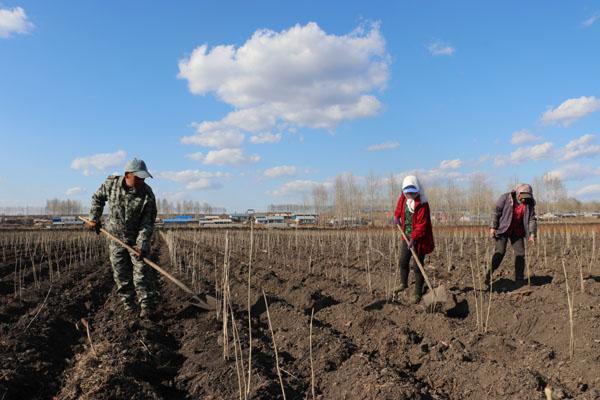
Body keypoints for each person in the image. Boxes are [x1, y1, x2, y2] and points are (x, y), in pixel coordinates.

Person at [85, 158, 158, 319]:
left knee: (141, 274)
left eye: (143, 178)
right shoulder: (111, 184)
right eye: (138, 177)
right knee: (121, 275)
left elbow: (147, 223)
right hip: (115, 238)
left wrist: (142, 244)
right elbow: (97, 198)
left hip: (136, 241)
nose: (141, 181)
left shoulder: (147, 194)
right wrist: (94, 218)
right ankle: (129, 309)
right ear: (127, 175)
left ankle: (147, 309)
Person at [486, 183, 537, 287]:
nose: (524, 199)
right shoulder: (505, 198)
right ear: (518, 194)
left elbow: (532, 219)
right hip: (503, 229)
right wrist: (493, 227)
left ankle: (519, 279)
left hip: (517, 231)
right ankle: (489, 273)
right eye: (523, 197)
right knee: (500, 252)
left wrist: (532, 234)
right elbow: (496, 212)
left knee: (520, 254)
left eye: (527, 197)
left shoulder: (530, 203)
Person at [393, 175, 435, 304]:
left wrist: (414, 238)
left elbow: (422, 225)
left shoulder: (423, 204)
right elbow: (400, 207)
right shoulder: (404, 198)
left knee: (417, 266)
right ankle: (403, 283)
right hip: (406, 235)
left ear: (417, 190)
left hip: (420, 239)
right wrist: (396, 216)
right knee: (403, 261)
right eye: (407, 193)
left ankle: (417, 292)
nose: (410, 195)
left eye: (412, 192)